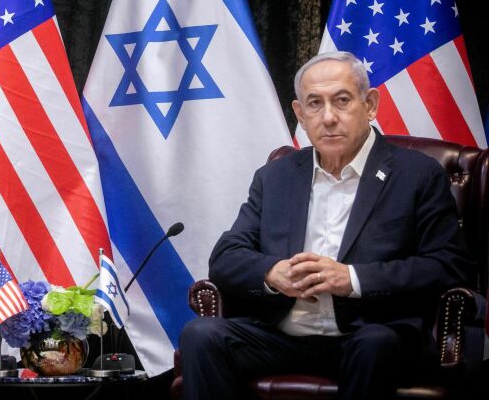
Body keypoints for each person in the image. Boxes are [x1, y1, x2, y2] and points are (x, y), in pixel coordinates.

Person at [179, 51, 473, 399]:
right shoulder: (276, 176)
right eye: (315, 104)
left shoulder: (417, 175)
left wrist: (350, 280)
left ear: (371, 105)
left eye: (342, 101)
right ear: (300, 115)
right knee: (200, 335)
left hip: (370, 335)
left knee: (373, 344)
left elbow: (447, 266)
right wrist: (272, 274)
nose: (329, 117)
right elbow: (226, 256)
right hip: (283, 335)